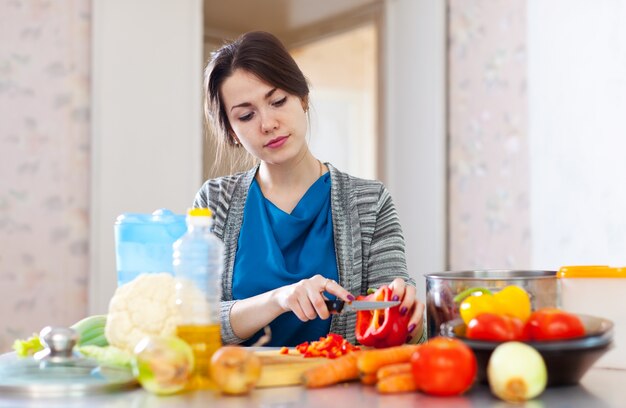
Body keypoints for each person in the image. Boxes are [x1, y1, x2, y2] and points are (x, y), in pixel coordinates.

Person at [194, 31, 425, 347]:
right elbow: (194, 321)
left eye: (278, 101)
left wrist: (409, 314)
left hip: (339, 391)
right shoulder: (215, 201)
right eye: (246, 115)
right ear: (232, 132)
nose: (268, 123)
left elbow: (401, 328)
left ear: (302, 97)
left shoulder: (371, 203)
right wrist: (279, 299)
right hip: (240, 390)